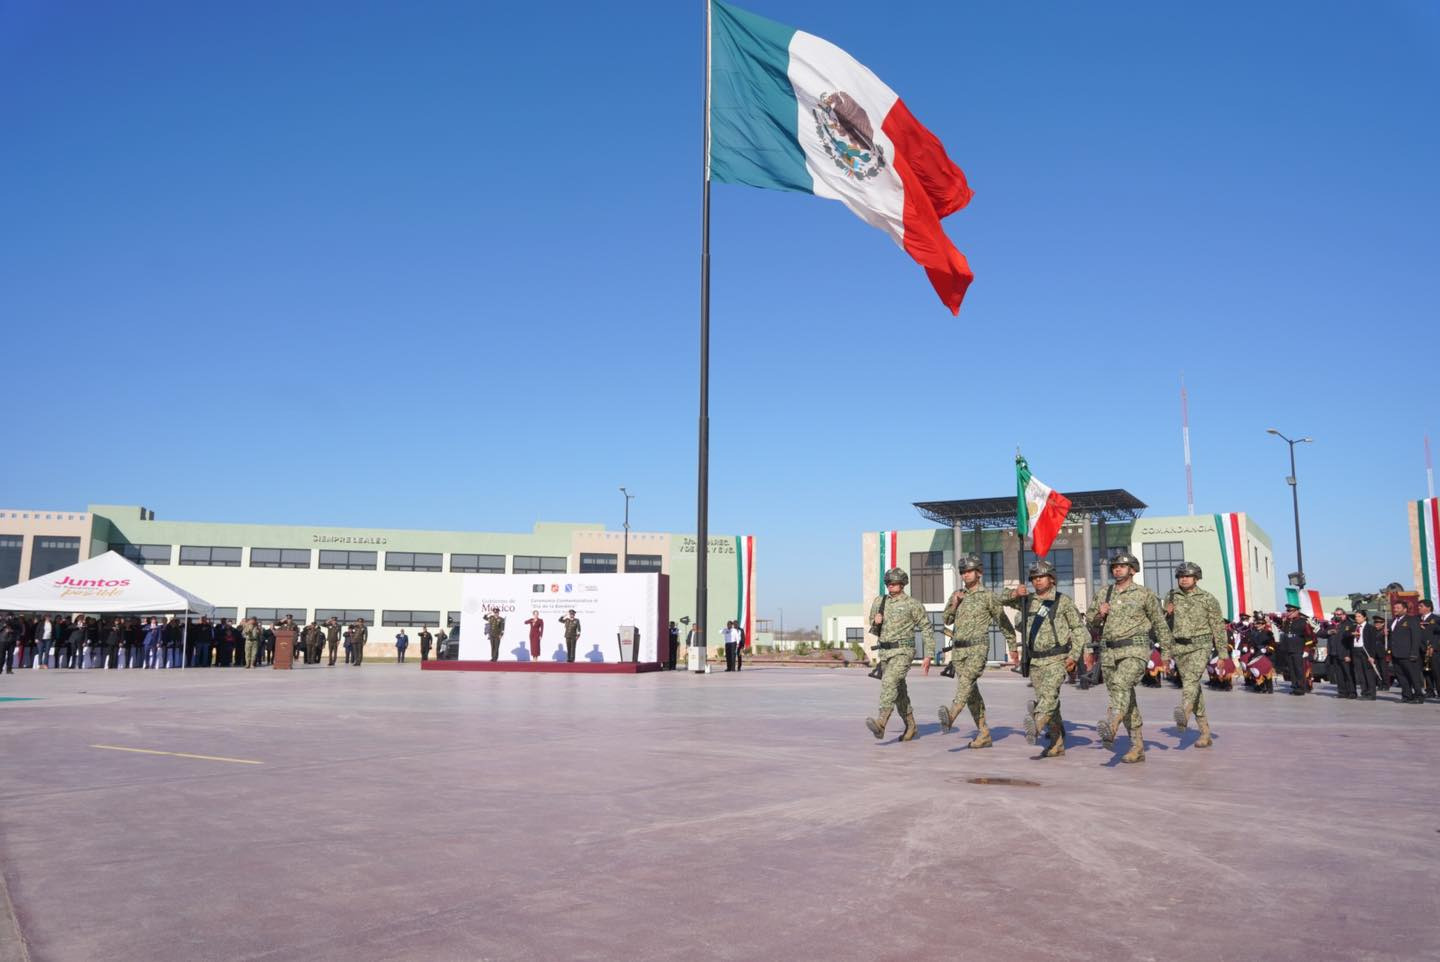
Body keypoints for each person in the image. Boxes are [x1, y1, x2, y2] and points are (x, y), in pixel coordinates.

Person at [1089, 552, 1171, 764]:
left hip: (1136, 649)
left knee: (1121, 684)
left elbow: (1160, 624)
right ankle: (1137, 746)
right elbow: (1090, 622)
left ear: (1132, 570)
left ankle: (1112, 724)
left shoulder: (1145, 594)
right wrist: (1100, 614)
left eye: (1122, 566)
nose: (1117, 569)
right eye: (1115, 566)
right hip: (1109, 653)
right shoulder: (1104, 594)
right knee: (1126, 697)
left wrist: (1167, 653)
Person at [1005, 559, 1087, 757]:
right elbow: (1001, 600)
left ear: (1051, 579)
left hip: (1057, 658)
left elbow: (1078, 630)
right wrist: (1016, 593)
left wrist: (1075, 656)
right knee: (1049, 702)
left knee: (1049, 696)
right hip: (1035, 661)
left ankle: (1037, 724)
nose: (1037, 581)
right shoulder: (1028, 600)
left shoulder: (1062, 601)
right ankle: (1057, 743)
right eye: (1034, 578)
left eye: (1041, 577)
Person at [937, 554, 1007, 749]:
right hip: (959, 650)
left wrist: (1013, 646)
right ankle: (984, 733)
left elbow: (1003, 622)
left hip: (978, 647)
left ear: (979, 573)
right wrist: (954, 603)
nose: (966, 575)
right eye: (963, 572)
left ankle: (951, 715)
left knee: (966, 682)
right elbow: (947, 619)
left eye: (969, 571)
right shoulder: (958, 594)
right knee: (971, 693)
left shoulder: (988, 596)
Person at [864, 568, 935, 742]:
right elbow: (873, 628)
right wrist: (876, 621)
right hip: (885, 652)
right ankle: (911, 725)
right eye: (888, 583)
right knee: (899, 691)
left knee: (889, 683)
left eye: (894, 583)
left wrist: (929, 654)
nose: (891, 586)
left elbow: (926, 627)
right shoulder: (880, 602)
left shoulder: (913, 604)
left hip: (904, 651)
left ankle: (881, 723)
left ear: (902, 584)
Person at [1163, 561, 1227, 747]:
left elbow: (1218, 627)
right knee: (1195, 689)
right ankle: (1205, 733)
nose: (1184, 579)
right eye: (1181, 576)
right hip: (1179, 647)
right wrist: (1166, 614)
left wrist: (1223, 654)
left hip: (1201, 646)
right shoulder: (1171, 596)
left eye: (1188, 576)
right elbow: (1165, 626)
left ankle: (1184, 711)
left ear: (1196, 578)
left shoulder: (1208, 599)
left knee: (1191, 680)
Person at [1385, 600, 1427, 703]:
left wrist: (1414, 653)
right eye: (1395, 608)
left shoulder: (1411, 620)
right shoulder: (1393, 621)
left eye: (1398, 608)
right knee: (1401, 676)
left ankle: (1419, 696)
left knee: (1413, 676)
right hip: (1396, 654)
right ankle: (1407, 695)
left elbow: (1416, 637)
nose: (1395, 610)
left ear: (1405, 609)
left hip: (1408, 654)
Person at [1276, 604, 1313, 695]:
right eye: (1287, 611)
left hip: (1298, 649)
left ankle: (1301, 688)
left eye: (1290, 611)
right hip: (1289, 649)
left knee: (1299, 669)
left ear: (1296, 611)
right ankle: (1295, 686)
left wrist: (1306, 650)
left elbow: (1309, 637)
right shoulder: (1287, 622)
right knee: (1292, 670)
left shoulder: (1303, 622)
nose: (1288, 613)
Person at [1418, 599, 1438, 698]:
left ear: (1428, 607)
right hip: (1421, 649)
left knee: (1436, 671)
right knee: (1426, 671)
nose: (1419, 608)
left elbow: (1438, 635)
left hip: (1432, 650)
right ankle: (1429, 690)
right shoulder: (1418, 619)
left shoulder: (1435, 619)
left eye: (1421, 606)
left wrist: (1434, 647)